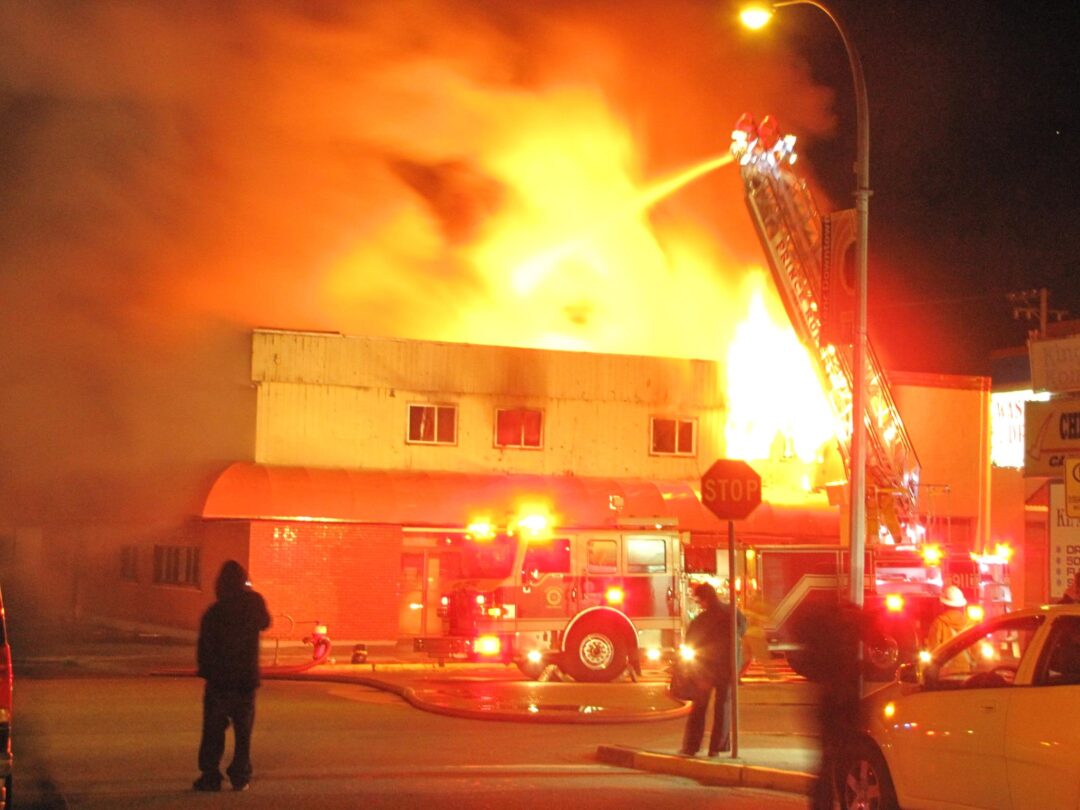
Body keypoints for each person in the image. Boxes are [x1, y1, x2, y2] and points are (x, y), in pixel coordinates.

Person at [193, 560, 271, 792]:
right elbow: (265, 623)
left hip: (219, 682)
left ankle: (210, 775)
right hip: (245, 681)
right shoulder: (253, 603)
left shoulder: (214, 613)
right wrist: (249, 590)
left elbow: (204, 648)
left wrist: (206, 672)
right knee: (243, 732)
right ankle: (240, 775)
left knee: (213, 731)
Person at [793, 599, 866, 810]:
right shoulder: (844, 634)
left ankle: (822, 805)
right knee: (840, 760)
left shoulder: (822, 632)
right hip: (842, 702)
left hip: (827, 701)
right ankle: (836, 803)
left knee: (827, 761)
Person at [679, 582, 747, 757]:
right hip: (729, 667)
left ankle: (691, 746)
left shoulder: (702, 620)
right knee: (723, 707)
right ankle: (716, 747)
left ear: (705, 599)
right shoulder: (734, 613)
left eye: (699, 601)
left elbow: (691, 643)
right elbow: (742, 630)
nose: (699, 604)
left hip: (706, 670)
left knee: (700, 708)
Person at [926, 585, 974, 677]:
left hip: (946, 674)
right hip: (967, 671)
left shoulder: (939, 623)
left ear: (943, 605)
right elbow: (977, 650)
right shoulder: (969, 623)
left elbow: (933, 649)